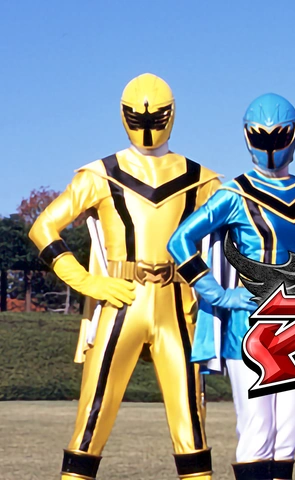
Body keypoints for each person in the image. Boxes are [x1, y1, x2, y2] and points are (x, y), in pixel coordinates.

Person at [29, 73, 220, 480]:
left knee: (191, 426)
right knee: (91, 421)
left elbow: (236, 238)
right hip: (123, 299)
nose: (148, 126)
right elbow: (43, 228)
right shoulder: (100, 175)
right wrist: (88, 281)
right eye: (139, 118)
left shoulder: (202, 180)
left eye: (156, 117)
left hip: (174, 303)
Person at [167, 93, 295, 480]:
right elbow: (180, 240)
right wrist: (217, 293)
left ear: (293, 135)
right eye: (262, 136)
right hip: (250, 328)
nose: (271, 146)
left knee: (287, 437)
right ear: (248, 136)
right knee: (256, 431)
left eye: (278, 136)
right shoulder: (234, 194)